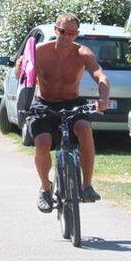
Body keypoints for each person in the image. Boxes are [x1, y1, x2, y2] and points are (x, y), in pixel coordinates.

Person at [26, 12, 109, 213]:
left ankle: (87, 185)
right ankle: (45, 188)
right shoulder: (40, 51)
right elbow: (23, 73)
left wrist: (104, 98)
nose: (66, 36)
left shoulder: (83, 53)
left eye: (71, 33)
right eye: (63, 31)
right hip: (44, 104)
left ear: (76, 34)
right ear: (56, 30)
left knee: (84, 128)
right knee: (43, 143)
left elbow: (100, 76)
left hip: (72, 104)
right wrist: (22, 68)